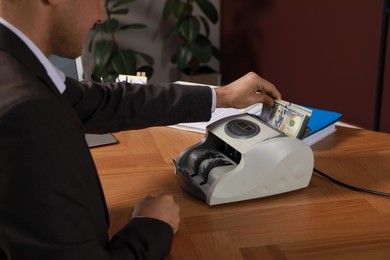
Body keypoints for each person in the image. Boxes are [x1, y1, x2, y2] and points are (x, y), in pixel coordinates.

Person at [0, 0, 281, 259]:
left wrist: (222, 96)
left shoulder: (16, 67)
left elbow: (105, 103)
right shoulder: (26, 113)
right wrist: (151, 227)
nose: (101, 14)